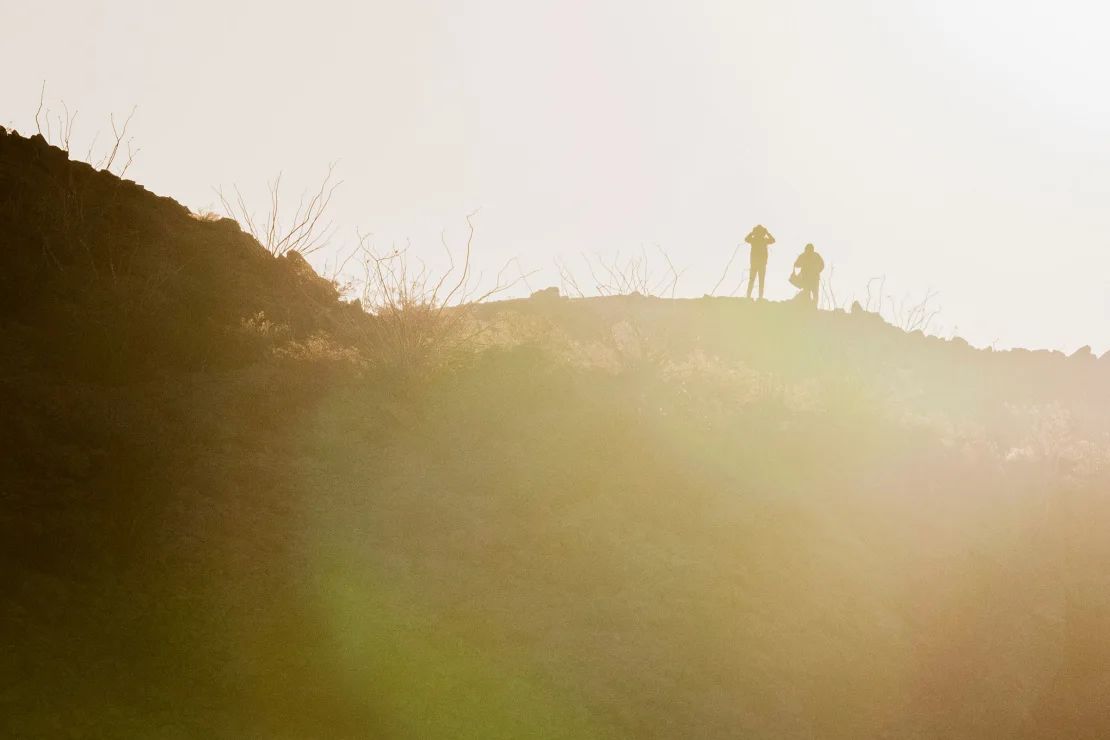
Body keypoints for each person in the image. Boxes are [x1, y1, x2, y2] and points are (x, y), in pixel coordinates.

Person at [744, 224, 775, 300]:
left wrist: (752, 233)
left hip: (755, 263)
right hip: (761, 264)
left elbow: (746, 239)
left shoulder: (754, 239)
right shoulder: (764, 240)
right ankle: (760, 297)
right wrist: (767, 233)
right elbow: (773, 240)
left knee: (752, 280)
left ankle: (749, 296)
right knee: (761, 281)